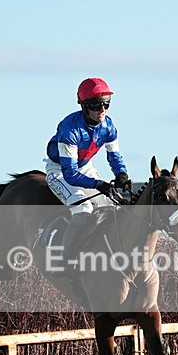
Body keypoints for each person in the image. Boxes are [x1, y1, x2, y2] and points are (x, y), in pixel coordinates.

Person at [45, 77, 132, 271]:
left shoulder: (108, 126)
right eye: (95, 105)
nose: (102, 110)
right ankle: (63, 260)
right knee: (83, 210)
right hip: (60, 172)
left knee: (113, 208)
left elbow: (114, 157)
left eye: (106, 105)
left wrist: (122, 174)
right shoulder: (70, 128)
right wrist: (98, 184)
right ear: (84, 106)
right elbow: (70, 174)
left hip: (85, 168)